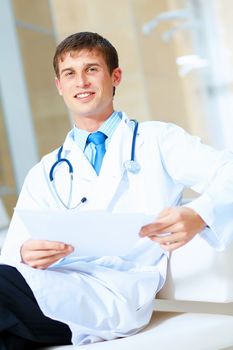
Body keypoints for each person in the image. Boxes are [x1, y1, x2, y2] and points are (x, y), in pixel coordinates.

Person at [0, 31, 233, 349]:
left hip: (120, 291)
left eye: (91, 69)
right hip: (53, 285)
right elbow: (14, 251)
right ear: (59, 86)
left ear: (115, 77)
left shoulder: (157, 140)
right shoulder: (46, 170)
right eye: (70, 73)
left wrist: (200, 213)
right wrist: (26, 252)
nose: (81, 81)